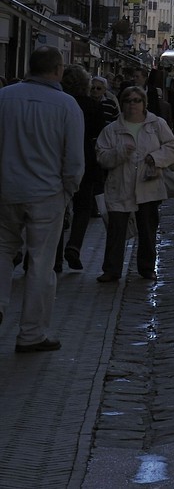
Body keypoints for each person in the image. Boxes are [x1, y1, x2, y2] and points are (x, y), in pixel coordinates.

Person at [0, 47, 85, 353]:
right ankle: (31, 332)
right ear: (58, 70)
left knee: (2, 250)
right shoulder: (66, 105)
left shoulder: (4, 98)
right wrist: (69, 190)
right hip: (47, 194)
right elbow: (74, 159)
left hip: (6, 190)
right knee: (40, 263)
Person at [94, 84, 174, 282]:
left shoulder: (156, 124)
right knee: (116, 229)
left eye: (137, 100)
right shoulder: (112, 129)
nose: (132, 104)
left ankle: (147, 267)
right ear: (122, 103)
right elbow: (102, 156)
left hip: (148, 185)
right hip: (120, 186)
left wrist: (156, 158)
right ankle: (112, 269)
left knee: (148, 230)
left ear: (144, 103)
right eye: (128, 100)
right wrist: (120, 153)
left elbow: (173, 147)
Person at [60, 65, 106, 272]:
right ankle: (75, 246)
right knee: (83, 207)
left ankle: (54, 256)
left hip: (60, 159)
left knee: (60, 209)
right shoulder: (92, 105)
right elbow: (101, 132)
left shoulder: (61, 103)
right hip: (86, 159)